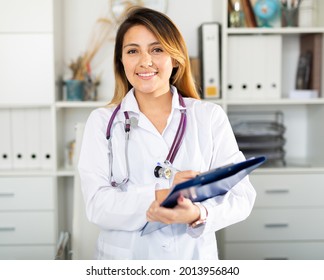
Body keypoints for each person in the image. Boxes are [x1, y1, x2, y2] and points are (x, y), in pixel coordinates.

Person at [78, 6, 256, 260]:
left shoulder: (208, 117)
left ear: (175, 58)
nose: (145, 61)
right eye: (132, 51)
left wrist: (197, 213)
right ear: (122, 60)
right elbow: (97, 205)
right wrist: (161, 197)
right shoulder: (102, 122)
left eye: (157, 49)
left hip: (191, 259)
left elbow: (242, 196)